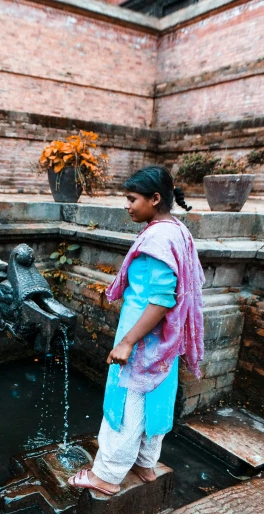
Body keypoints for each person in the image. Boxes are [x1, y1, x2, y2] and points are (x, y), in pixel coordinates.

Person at [68, 165, 205, 495]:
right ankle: (145, 464)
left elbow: (160, 299)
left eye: (132, 199)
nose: (127, 206)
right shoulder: (177, 230)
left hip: (145, 340)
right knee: (155, 400)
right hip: (166, 341)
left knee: (125, 404)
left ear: (155, 198)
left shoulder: (157, 238)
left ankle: (106, 476)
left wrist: (128, 341)